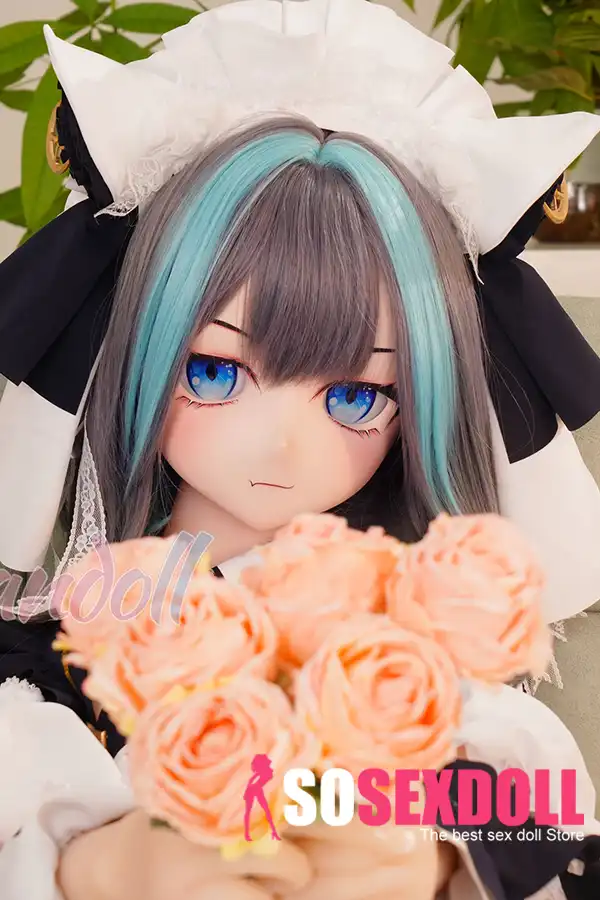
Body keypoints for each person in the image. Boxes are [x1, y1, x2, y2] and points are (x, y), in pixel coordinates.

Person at [0, 1, 599, 898]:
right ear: (134, 352)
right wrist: (97, 862)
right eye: (214, 372)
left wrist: (422, 856)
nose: (279, 442)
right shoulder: (55, 651)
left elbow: (545, 817)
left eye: (355, 396)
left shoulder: (408, 659)